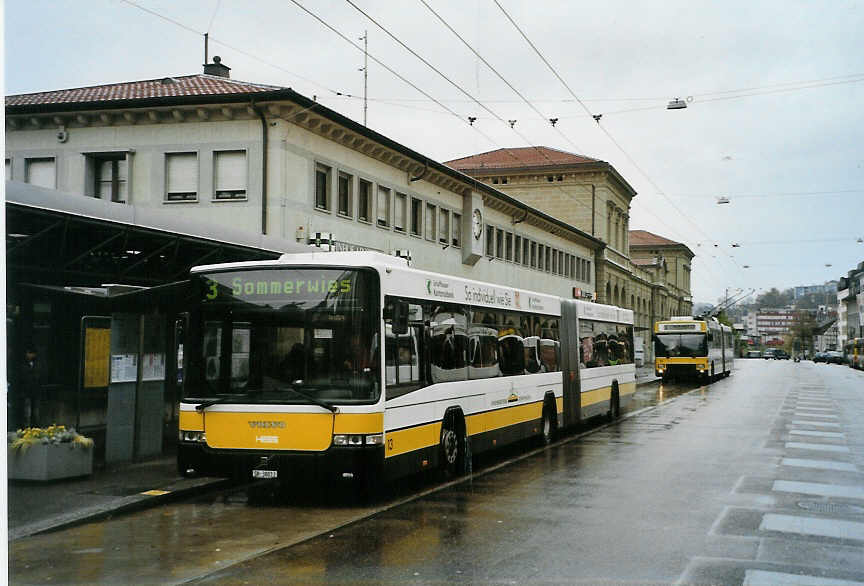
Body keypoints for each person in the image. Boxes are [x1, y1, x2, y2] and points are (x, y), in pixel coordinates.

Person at [14, 347, 42, 429]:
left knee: (36, 412)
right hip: (26, 391)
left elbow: (39, 376)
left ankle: (36, 428)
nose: (28, 355)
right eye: (28, 353)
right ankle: (26, 428)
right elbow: (21, 377)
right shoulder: (22, 364)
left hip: (35, 391)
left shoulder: (37, 364)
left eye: (30, 353)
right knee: (27, 413)